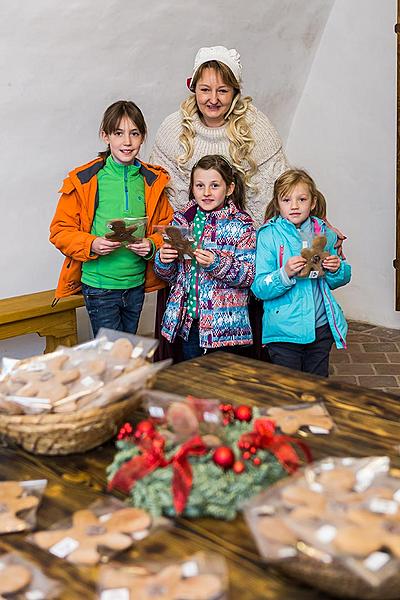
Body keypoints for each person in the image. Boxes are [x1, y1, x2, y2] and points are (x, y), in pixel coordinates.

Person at [151, 45, 288, 360]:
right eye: (205, 89)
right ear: (193, 88)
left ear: (236, 92)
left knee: (231, 360)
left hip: (237, 257)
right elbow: (163, 194)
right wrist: (172, 247)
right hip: (189, 270)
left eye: (222, 90)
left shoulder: (258, 129)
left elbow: (278, 189)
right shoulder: (173, 129)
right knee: (188, 360)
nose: (213, 98)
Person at [50, 100, 173, 336]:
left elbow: (167, 229)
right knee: (113, 361)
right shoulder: (86, 179)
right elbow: (60, 231)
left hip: (136, 286)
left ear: (143, 137)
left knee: (126, 357)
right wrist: (91, 244)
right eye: (119, 133)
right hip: (100, 286)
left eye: (134, 133)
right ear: (105, 136)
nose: (127, 142)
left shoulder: (152, 180)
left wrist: (151, 246)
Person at [154, 155, 256, 360]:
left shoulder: (242, 225)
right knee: (192, 383)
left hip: (226, 327)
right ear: (192, 188)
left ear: (230, 188)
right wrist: (163, 260)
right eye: (200, 185)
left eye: (214, 185)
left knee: (222, 387)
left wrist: (215, 263)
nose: (206, 192)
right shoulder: (182, 220)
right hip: (189, 322)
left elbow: (249, 275)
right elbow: (174, 277)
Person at [251, 169, 351, 377]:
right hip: (283, 331)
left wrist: (336, 268)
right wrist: (284, 273)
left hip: (320, 327)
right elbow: (259, 287)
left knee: (317, 385)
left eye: (302, 199)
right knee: (288, 390)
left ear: (313, 202)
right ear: (278, 204)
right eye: (286, 200)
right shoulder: (268, 235)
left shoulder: (325, 234)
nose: (294, 206)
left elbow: (342, 277)